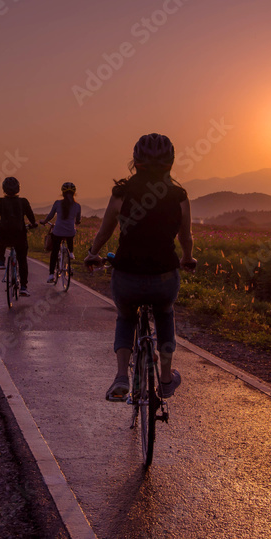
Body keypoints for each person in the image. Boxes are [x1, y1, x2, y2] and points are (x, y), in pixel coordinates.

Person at [84, 133, 196, 401]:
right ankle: (166, 379)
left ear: (136, 161)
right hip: (164, 276)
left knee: (125, 318)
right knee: (165, 314)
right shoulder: (179, 195)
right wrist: (187, 258)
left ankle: (121, 376)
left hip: (127, 276)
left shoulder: (121, 193)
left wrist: (93, 254)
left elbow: (104, 233)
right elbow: (185, 237)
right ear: (170, 163)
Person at [0, 176, 38, 296]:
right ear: (18, 188)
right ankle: (23, 286)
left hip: (4, 235)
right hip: (19, 236)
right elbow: (31, 217)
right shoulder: (23, 202)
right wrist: (33, 224)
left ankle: (1, 260)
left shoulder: (0, 202)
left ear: (4, 189)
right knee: (22, 260)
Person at [40, 182, 82, 282]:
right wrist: (77, 221)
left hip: (58, 232)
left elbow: (50, 216)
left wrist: (44, 221)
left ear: (62, 193)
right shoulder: (77, 206)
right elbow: (78, 220)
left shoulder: (57, 203)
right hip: (70, 233)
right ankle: (71, 252)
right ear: (74, 193)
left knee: (54, 252)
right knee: (71, 233)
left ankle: (51, 275)